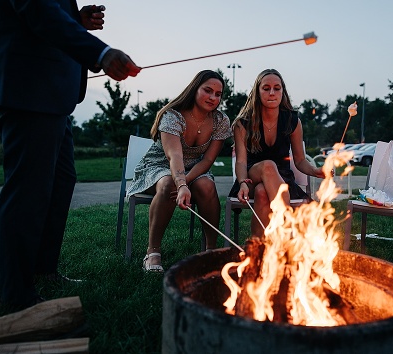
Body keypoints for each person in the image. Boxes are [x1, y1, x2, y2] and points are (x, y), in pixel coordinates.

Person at [0, 1, 140, 311]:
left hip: (54, 96)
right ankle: (16, 293)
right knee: (28, 191)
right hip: (31, 89)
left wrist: (75, 21)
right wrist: (100, 53)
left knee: (62, 181)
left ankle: (43, 271)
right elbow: (37, 11)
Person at [126, 70, 232, 272]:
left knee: (207, 185)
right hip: (159, 166)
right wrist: (181, 184)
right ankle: (153, 252)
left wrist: (186, 181)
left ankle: (211, 251)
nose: (213, 97)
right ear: (195, 89)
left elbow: (208, 159)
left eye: (218, 94)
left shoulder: (221, 121)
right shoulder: (172, 115)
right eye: (207, 90)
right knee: (167, 183)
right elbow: (174, 156)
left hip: (195, 168)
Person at [229, 69, 325, 238]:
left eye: (277, 88)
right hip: (250, 177)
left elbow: (300, 160)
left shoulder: (292, 121)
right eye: (266, 88)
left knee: (262, 192)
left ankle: (257, 247)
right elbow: (241, 162)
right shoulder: (243, 123)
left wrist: (314, 171)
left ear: (283, 91)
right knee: (267, 166)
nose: (272, 92)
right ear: (257, 92)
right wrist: (243, 182)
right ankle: (286, 232)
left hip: (282, 179)